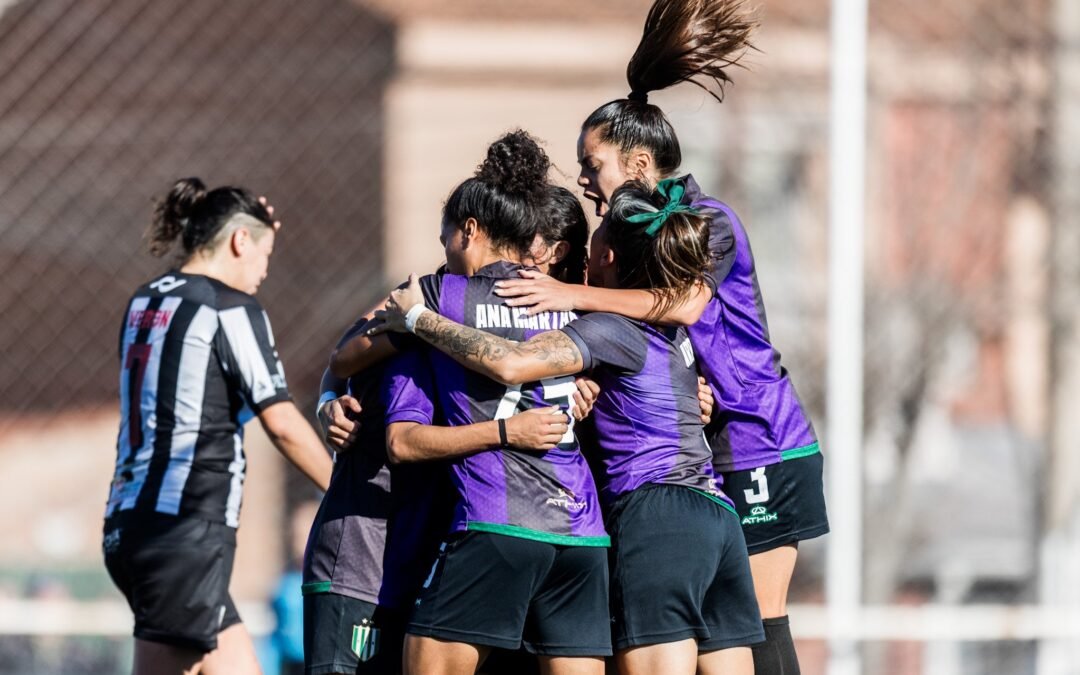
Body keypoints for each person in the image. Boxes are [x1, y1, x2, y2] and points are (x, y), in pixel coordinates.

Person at [493, 1, 828, 672]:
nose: (585, 179)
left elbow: (681, 304)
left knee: (762, 628)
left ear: (640, 162)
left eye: (594, 164)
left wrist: (570, 295)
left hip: (759, 437)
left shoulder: (706, 222)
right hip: (706, 452)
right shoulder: (633, 240)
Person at [376, 179, 763, 675]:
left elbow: (514, 363)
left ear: (607, 258)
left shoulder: (608, 325)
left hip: (657, 515)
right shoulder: (670, 326)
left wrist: (417, 319)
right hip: (715, 515)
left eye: (597, 234)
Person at [333, 131, 612, 675]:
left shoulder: (441, 295)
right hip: (583, 535)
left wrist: (405, 318)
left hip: (497, 525)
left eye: (445, 242)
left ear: (469, 231)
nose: (445, 254)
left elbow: (347, 356)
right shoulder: (570, 305)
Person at [102, 178, 333, 675]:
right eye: (265, 251)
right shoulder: (228, 306)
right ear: (239, 241)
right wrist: (345, 493)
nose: (265, 270)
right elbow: (282, 422)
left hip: (131, 524)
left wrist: (243, 214)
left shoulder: (145, 302)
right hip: (185, 533)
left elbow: (199, 401)